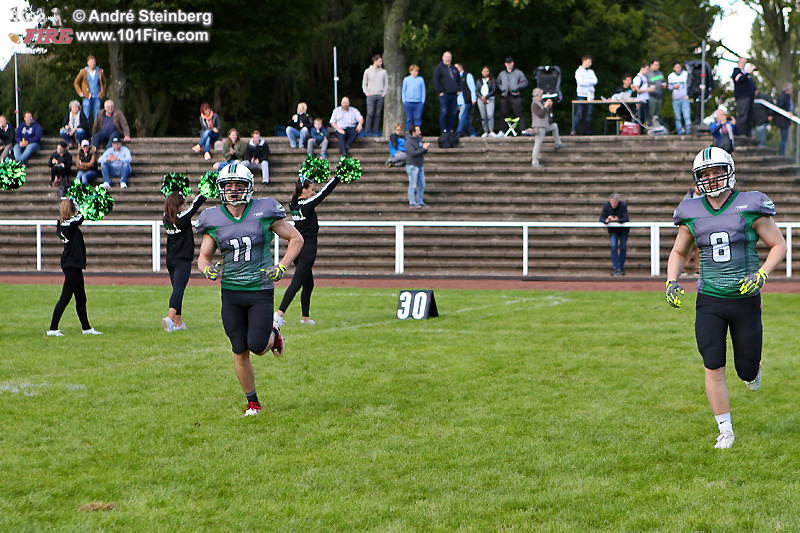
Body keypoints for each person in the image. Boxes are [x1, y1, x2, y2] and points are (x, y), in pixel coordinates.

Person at [665, 147, 786, 449]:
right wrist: (671, 280)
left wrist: (762, 273)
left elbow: (778, 245)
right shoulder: (691, 210)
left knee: (746, 369)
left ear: (729, 171)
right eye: (705, 174)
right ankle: (725, 430)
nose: (711, 178)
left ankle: (753, 369)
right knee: (712, 363)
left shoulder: (750, 204)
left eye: (716, 172)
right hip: (710, 299)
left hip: (745, 298)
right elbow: (679, 251)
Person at [196, 164, 304, 416]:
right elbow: (203, 257)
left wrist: (282, 266)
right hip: (231, 292)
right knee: (238, 349)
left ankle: (274, 333)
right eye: (228, 185)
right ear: (221, 189)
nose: (233, 190)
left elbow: (296, 238)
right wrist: (206, 269)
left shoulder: (264, 210)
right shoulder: (213, 218)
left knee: (257, 345)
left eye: (239, 185)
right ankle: (252, 402)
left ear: (249, 187)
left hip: (259, 290)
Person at [275, 172, 341, 327]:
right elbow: (324, 192)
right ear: (304, 190)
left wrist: (311, 172)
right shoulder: (307, 205)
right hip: (308, 249)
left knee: (308, 284)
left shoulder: (293, 203)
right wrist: (337, 177)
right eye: (311, 189)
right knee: (297, 282)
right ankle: (279, 314)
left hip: (297, 247)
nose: (313, 192)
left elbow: (306, 186)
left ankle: (305, 318)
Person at [47, 199, 102, 337]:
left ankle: (86, 328)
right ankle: (52, 329)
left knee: (81, 298)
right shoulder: (67, 225)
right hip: (71, 265)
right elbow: (81, 218)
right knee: (65, 298)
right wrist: (84, 206)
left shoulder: (66, 224)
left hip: (74, 265)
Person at [162, 190, 207, 332]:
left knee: (177, 290)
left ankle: (178, 323)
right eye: (183, 204)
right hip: (182, 260)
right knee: (178, 291)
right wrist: (205, 192)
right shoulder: (181, 218)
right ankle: (170, 319)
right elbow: (195, 205)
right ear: (178, 206)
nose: (185, 206)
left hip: (171, 259)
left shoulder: (166, 217)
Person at [530, 88, 564, 169]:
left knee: (554, 126)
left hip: (545, 125)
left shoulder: (541, 103)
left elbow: (547, 114)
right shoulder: (534, 104)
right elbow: (541, 114)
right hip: (539, 127)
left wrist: (549, 107)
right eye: (540, 96)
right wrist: (545, 106)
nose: (541, 97)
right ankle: (534, 162)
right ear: (536, 96)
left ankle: (558, 143)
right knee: (538, 144)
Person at [599, 193, 629, 276]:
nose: (614, 205)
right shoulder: (606, 206)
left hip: (623, 230)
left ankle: (621, 267)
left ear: (618, 201)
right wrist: (607, 220)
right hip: (613, 230)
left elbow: (626, 218)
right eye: (612, 203)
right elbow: (601, 218)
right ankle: (616, 267)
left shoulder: (623, 205)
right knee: (613, 246)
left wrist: (617, 220)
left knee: (623, 247)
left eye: (615, 203)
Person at [497, 56, 528, 134]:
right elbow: (497, 83)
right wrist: (502, 88)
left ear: (513, 63)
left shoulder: (518, 73)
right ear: (505, 64)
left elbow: (525, 82)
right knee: (503, 113)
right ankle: (502, 131)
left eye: (510, 63)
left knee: (518, 113)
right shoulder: (502, 74)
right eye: (507, 63)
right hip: (505, 96)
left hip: (515, 95)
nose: (509, 65)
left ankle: (522, 130)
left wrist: (517, 87)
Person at [433, 51, 461, 133]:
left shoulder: (454, 68)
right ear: (443, 58)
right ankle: (444, 130)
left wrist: (459, 89)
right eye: (446, 57)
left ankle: (450, 129)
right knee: (444, 112)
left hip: (454, 95)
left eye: (449, 57)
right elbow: (435, 81)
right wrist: (440, 91)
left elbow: (459, 80)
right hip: (444, 95)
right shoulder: (439, 68)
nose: (448, 59)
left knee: (453, 113)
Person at [73, 54, 106, 121]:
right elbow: (76, 82)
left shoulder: (99, 71)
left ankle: (97, 128)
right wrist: (80, 92)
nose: (93, 64)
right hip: (87, 96)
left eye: (94, 62)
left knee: (97, 116)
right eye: (91, 62)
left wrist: (103, 91)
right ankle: (85, 128)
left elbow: (104, 82)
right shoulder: (83, 71)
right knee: (86, 115)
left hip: (97, 96)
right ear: (88, 63)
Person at [362, 54, 388, 135]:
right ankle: (367, 130)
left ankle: (375, 130)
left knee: (377, 114)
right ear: (375, 61)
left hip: (380, 96)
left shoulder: (383, 72)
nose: (381, 63)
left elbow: (386, 84)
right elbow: (364, 83)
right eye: (379, 61)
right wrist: (366, 92)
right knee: (370, 113)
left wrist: (383, 94)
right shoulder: (367, 71)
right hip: (371, 95)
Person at [572, 55, 597, 135]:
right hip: (581, 95)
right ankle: (575, 130)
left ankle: (586, 130)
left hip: (590, 95)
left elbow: (595, 81)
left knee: (588, 114)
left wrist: (586, 80)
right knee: (578, 113)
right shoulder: (578, 71)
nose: (590, 64)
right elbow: (580, 83)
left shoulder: (591, 72)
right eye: (589, 62)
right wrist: (590, 81)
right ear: (584, 61)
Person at [405, 125, 430, 208]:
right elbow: (412, 153)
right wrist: (423, 149)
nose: (420, 132)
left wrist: (425, 148)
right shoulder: (409, 142)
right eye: (418, 131)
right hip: (412, 165)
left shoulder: (419, 140)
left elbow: (421, 151)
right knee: (413, 184)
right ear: (413, 132)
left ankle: (420, 201)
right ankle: (412, 202)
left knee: (422, 184)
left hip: (419, 165)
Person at [732, 57, 757, 137]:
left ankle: (748, 134)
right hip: (742, 97)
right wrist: (748, 72)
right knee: (743, 115)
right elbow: (740, 79)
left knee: (749, 116)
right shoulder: (737, 71)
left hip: (750, 98)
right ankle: (741, 133)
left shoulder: (744, 73)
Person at [668, 62, 691, 135]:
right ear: (674, 68)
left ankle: (688, 130)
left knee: (686, 116)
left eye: (679, 67)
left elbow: (690, 84)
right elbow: (669, 87)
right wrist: (673, 86)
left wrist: (689, 95)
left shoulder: (686, 74)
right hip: (675, 98)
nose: (678, 69)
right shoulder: (671, 76)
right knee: (677, 117)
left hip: (684, 97)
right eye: (676, 67)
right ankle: (679, 131)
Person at [455, 62, 477, 136]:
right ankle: (472, 132)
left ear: (460, 67)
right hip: (458, 100)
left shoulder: (468, 75)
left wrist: (473, 98)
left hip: (466, 99)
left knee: (461, 116)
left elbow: (472, 88)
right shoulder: (455, 77)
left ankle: (458, 132)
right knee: (465, 117)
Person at [475, 66, 498, 137]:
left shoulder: (492, 80)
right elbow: (476, 90)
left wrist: (486, 97)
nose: (485, 73)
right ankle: (485, 131)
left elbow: (494, 89)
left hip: (490, 98)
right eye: (484, 71)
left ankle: (491, 130)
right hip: (481, 99)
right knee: (483, 115)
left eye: (487, 71)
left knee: (490, 114)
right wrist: (481, 97)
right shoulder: (479, 80)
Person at [402, 64, 425, 132]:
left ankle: (417, 132)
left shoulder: (420, 79)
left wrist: (422, 101)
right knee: (409, 118)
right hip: (408, 101)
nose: (416, 73)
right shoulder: (406, 79)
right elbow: (404, 90)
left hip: (418, 102)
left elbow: (423, 90)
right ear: (410, 71)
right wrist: (404, 100)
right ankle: (409, 132)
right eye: (414, 71)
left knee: (417, 118)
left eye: (417, 71)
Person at [632, 63, 654, 133]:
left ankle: (644, 132)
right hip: (640, 100)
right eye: (647, 69)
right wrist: (648, 90)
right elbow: (637, 90)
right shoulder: (637, 78)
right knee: (640, 117)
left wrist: (650, 89)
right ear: (642, 68)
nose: (648, 71)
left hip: (646, 99)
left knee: (645, 117)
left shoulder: (645, 77)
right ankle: (640, 133)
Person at [773, 83, 794, 156]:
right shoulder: (783, 97)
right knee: (784, 138)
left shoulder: (787, 97)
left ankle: (782, 153)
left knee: (784, 138)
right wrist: (787, 112)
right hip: (783, 121)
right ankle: (781, 154)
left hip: (785, 121)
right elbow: (779, 108)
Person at [645, 59, 667, 126]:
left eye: (658, 65)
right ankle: (648, 128)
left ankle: (654, 128)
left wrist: (664, 85)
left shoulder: (660, 73)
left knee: (656, 116)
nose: (657, 67)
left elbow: (663, 82)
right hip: (651, 97)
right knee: (650, 115)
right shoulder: (647, 73)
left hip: (659, 97)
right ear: (651, 65)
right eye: (656, 65)